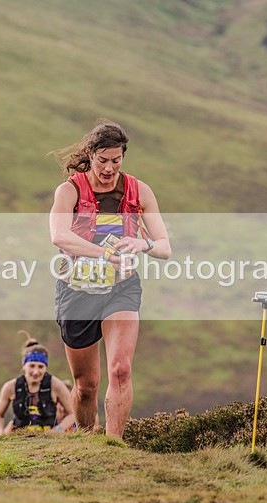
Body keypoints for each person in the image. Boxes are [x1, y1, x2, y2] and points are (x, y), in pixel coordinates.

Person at [49, 119, 171, 438]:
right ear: (90, 155)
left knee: (120, 370)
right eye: (103, 160)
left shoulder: (139, 191)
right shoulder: (70, 191)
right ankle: (89, 440)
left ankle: (113, 444)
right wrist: (105, 254)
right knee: (86, 387)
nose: (109, 168)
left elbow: (164, 247)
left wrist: (143, 243)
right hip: (77, 291)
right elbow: (59, 237)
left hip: (122, 289)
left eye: (116, 160)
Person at [0, 331, 76, 434]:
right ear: (24, 366)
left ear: (46, 367)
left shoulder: (56, 385)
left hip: (47, 439)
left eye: (40, 367)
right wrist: (0, 433)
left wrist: (56, 431)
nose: (36, 372)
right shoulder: (10, 387)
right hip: (17, 439)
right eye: (32, 366)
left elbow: (72, 414)